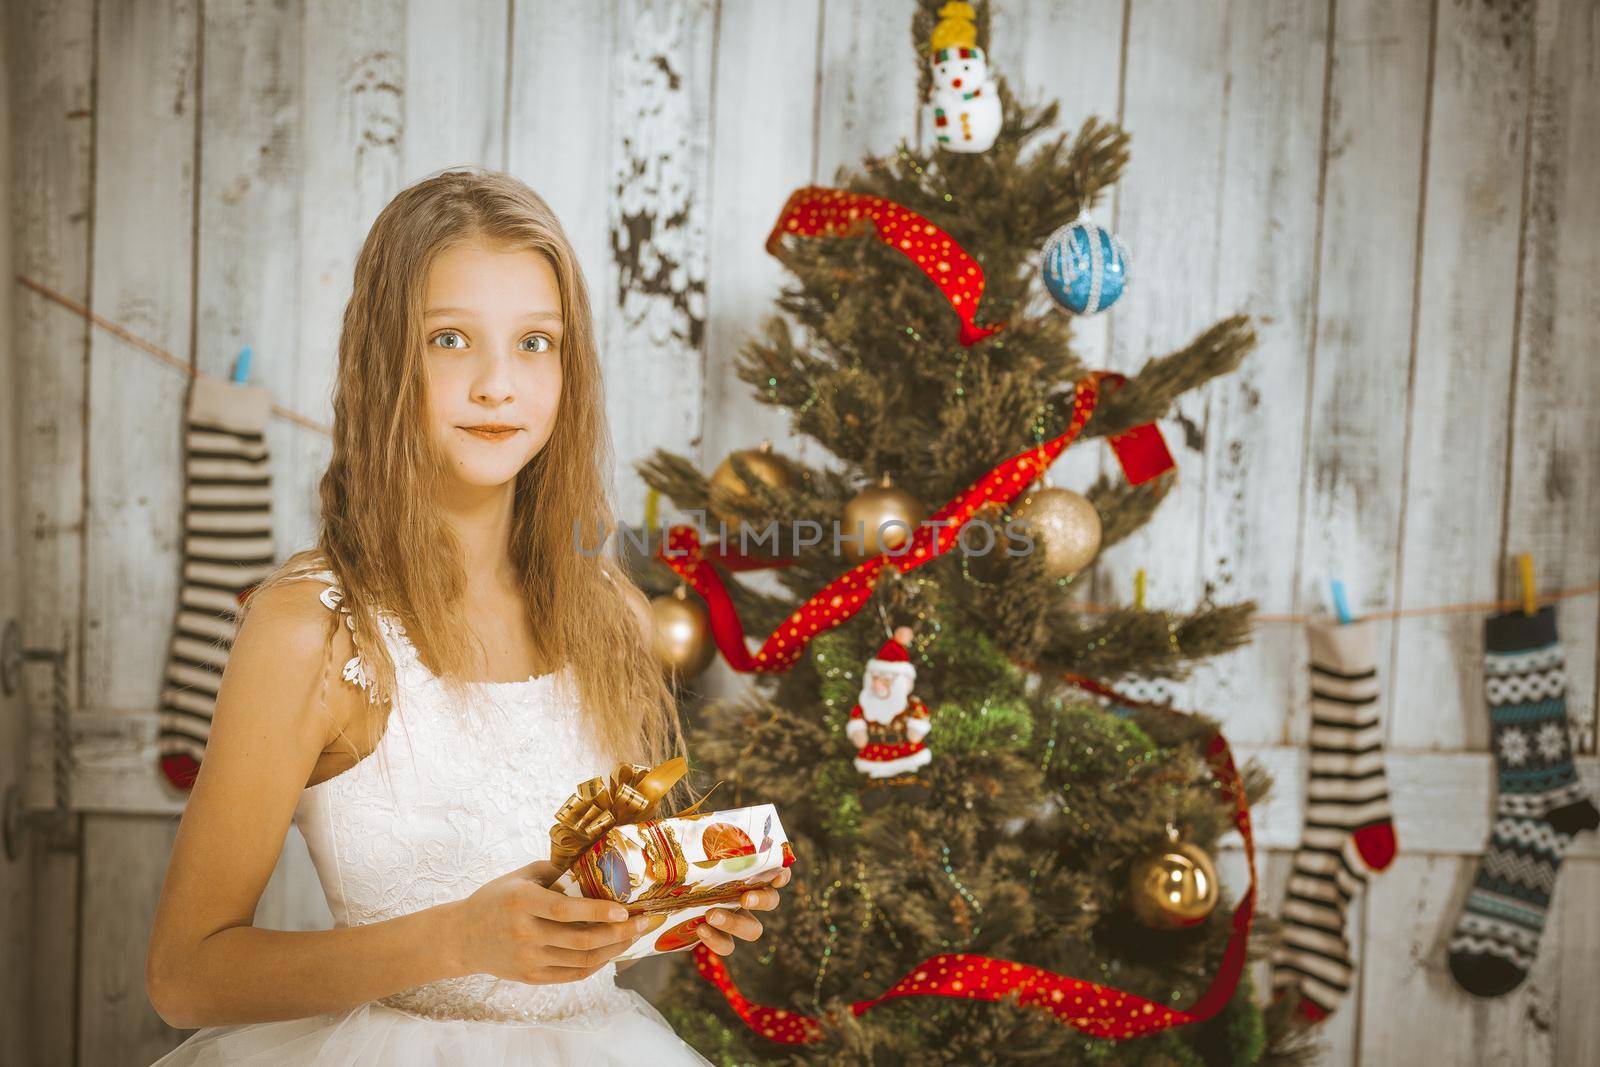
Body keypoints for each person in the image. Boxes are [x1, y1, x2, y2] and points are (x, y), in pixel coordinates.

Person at [145, 168, 786, 1065]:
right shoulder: (315, 631)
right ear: (384, 363)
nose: (498, 384)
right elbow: (185, 974)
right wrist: (456, 939)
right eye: (450, 339)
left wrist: (675, 906)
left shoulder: (609, 614)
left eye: (535, 343)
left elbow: (579, 921)